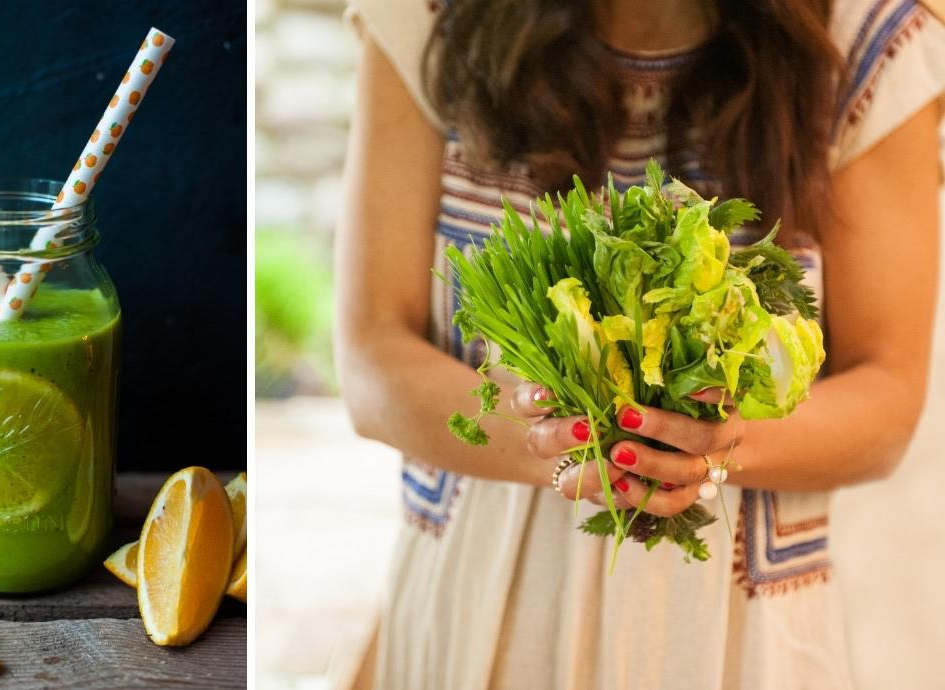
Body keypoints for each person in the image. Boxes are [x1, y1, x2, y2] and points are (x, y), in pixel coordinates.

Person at [334, 1, 945, 688]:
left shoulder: (864, 43)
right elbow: (369, 357)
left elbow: (889, 391)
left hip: (735, 642)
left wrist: (714, 444)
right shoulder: (429, 20)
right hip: (478, 606)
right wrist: (553, 437)